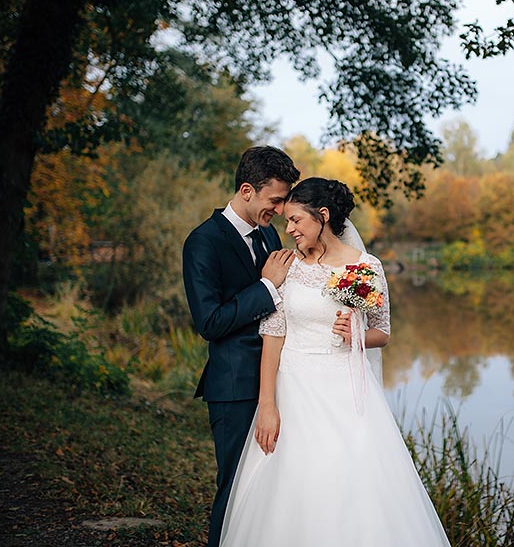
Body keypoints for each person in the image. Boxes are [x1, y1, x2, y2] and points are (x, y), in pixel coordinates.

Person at [218, 178, 451, 547]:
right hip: (292, 389)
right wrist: (267, 404)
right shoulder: (285, 265)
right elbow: (273, 334)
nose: (289, 229)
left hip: (344, 394)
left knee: (346, 485)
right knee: (288, 487)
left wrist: (354, 334)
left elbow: (382, 333)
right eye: (287, 221)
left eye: (296, 220)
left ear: (322, 216)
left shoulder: (363, 267)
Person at [182, 146, 300, 547]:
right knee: (235, 492)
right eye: (276, 200)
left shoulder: (267, 232)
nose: (282, 210)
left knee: (271, 492)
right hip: (233, 389)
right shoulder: (202, 242)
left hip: (280, 383)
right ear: (247, 190)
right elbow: (210, 323)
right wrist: (266, 286)